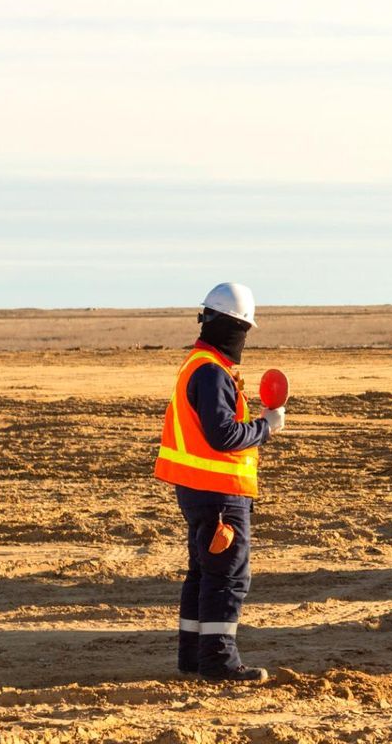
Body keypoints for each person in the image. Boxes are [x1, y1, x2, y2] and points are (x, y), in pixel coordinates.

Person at [152, 282, 286, 682]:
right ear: (237, 328)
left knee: (204, 573)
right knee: (227, 575)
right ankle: (219, 661)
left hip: (198, 490)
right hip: (218, 495)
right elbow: (223, 435)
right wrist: (265, 427)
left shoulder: (201, 365)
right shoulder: (211, 372)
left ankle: (193, 657)